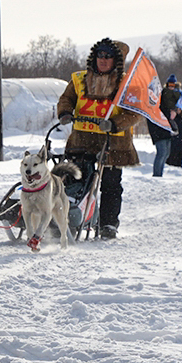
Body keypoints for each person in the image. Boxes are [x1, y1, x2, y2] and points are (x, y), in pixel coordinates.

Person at [56, 38, 142, 239]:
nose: (102, 60)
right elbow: (66, 99)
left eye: (108, 56)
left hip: (114, 143)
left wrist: (114, 123)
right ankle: (71, 216)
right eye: (99, 55)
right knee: (76, 179)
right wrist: (65, 112)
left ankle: (108, 224)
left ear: (116, 60)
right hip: (81, 140)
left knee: (110, 185)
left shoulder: (126, 84)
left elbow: (135, 113)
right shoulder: (79, 79)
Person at [148, 74, 181, 176]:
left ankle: (159, 174)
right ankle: (157, 175)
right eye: (169, 85)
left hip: (166, 128)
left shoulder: (174, 97)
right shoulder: (164, 95)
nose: (171, 87)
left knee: (166, 154)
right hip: (159, 128)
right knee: (161, 153)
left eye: (173, 85)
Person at [165, 76, 182, 168]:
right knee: (171, 159)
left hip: (181, 143)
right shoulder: (171, 117)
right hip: (173, 142)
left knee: (179, 159)